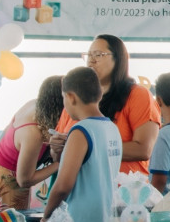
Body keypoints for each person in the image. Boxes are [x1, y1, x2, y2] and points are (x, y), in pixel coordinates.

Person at [50, 34, 160, 175]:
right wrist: (56, 148)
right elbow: (59, 158)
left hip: (123, 190)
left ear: (118, 59)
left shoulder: (138, 95)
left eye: (98, 55)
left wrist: (85, 146)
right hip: (79, 190)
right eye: (88, 55)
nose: (91, 60)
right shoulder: (75, 97)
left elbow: (143, 150)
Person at [42, 67, 122, 222]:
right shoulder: (112, 128)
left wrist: (46, 215)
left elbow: (63, 186)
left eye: (63, 97)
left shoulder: (80, 131)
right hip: (105, 220)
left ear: (70, 97)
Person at [0, 75, 63, 212]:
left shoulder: (34, 105)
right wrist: (61, 164)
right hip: (6, 184)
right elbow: (25, 180)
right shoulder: (33, 133)